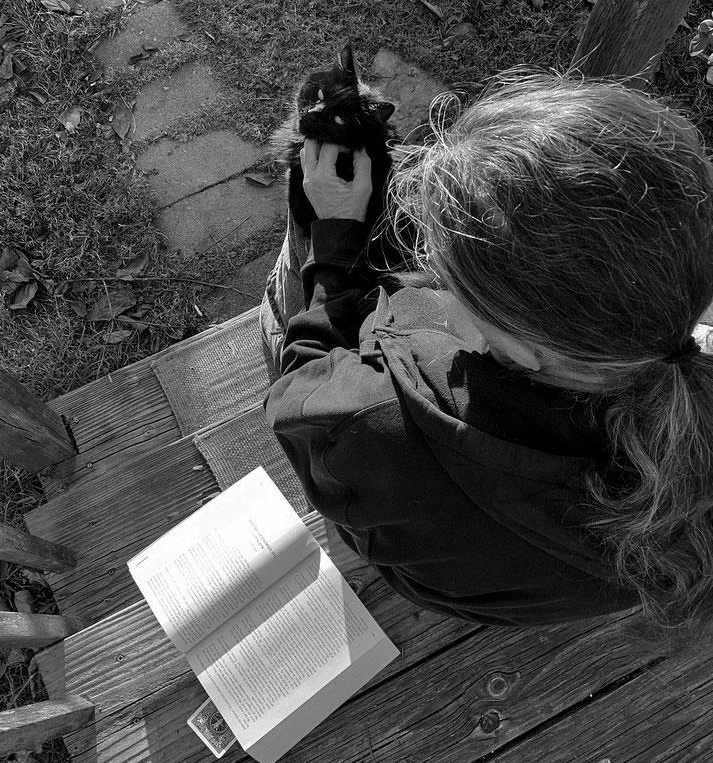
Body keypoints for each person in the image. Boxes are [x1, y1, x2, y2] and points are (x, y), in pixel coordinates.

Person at [259, 72, 713, 642]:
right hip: (539, 587)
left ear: (522, 347)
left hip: (439, 570)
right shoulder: (671, 349)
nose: (435, 288)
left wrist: (333, 238)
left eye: (449, 282)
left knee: (282, 319)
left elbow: (299, 397)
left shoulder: (370, 424)